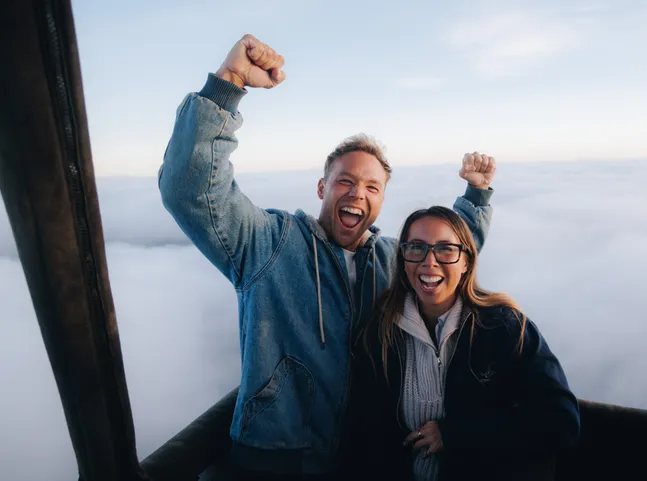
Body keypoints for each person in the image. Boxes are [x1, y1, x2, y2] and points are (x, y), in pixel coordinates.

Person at [157, 35, 498, 480]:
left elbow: (450, 253)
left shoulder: (392, 260)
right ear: (323, 188)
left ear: (381, 200)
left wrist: (476, 195)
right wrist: (228, 84)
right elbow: (191, 191)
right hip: (272, 460)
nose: (358, 194)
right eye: (345, 182)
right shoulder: (270, 243)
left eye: (372, 187)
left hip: (360, 458)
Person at [339, 206, 580, 481]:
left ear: (466, 261)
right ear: (403, 260)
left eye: (445, 249)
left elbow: (562, 421)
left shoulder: (504, 328)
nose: (429, 262)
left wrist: (455, 434)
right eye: (417, 248)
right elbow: (362, 435)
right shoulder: (379, 334)